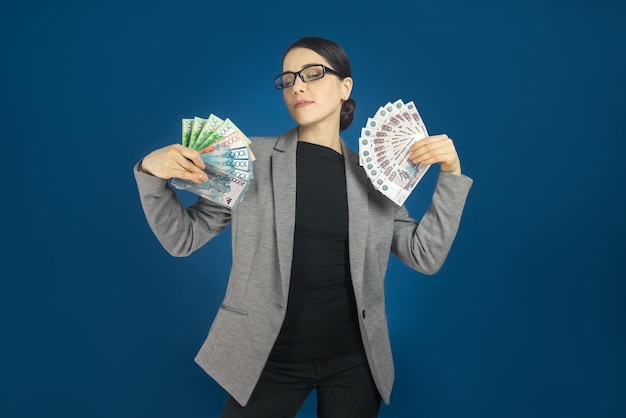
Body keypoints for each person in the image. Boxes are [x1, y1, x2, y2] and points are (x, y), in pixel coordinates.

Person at [133, 36, 473, 418]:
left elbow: (424, 255)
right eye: (288, 78)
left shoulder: (375, 174)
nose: (298, 85)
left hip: (355, 363)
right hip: (268, 358)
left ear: (346, 87)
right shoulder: (249, 158)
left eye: (313, 73)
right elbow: (183, 237)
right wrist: (149, 173)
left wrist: (451, 175)